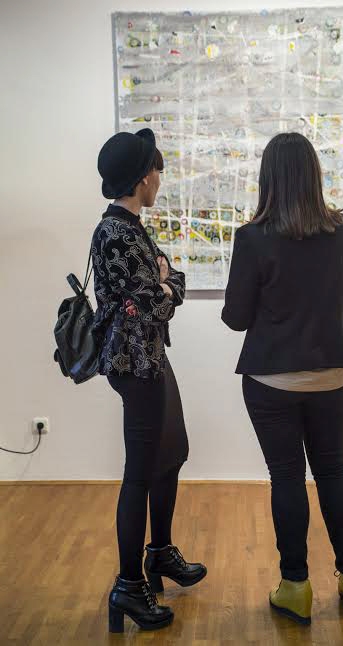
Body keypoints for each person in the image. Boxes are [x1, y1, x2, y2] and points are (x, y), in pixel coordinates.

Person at [222, 132, 343, 625]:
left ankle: (295, 586)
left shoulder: (252, 238)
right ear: (313, 175)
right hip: (332, 376)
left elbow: (236, 318)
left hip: (272, 381)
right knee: (333, 470)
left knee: (286, 476)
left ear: (268, 179)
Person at [92, 128, 207, 633]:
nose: (160, 178)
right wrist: (163, 284)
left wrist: (164, 283)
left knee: (171, 452)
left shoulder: (130, 226)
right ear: (143, 178)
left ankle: (159, 552)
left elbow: (167, 283)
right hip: (133, 363)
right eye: (158, 170)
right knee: (139, 472)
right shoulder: (116, 233)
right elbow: (153, 301)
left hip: (150, 357)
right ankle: (128, 585)